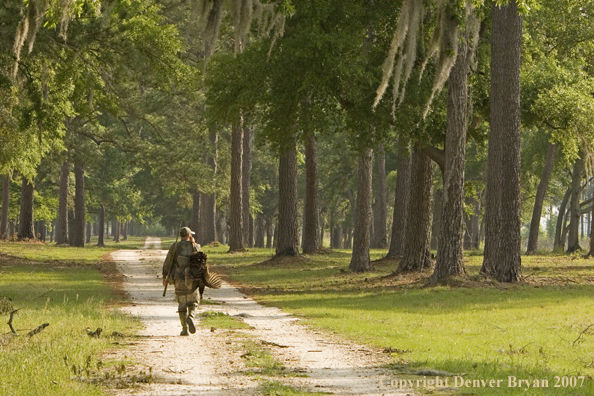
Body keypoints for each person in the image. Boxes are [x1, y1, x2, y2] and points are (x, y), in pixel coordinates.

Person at [162, 227, 201, 336]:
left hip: (178, 278)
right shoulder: (196, 246)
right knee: (194, 302)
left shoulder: (174, 247)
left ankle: (185, 329)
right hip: (192, 279)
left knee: (182, 304)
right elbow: (201, 260)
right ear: (189, 235)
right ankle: (191, 316)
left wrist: (164, 276)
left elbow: (168, 262)